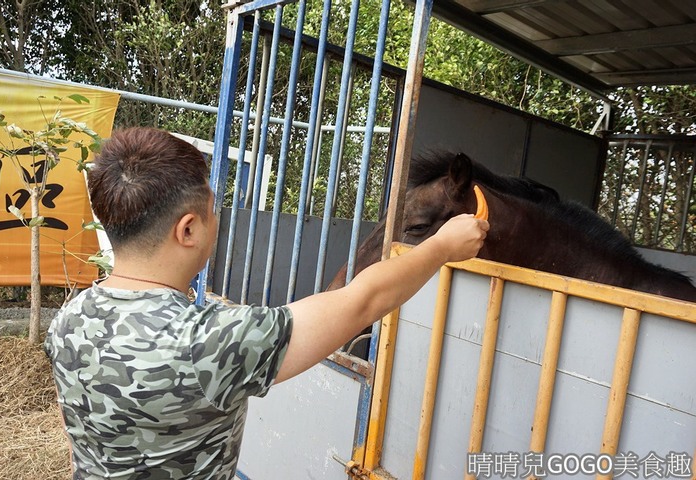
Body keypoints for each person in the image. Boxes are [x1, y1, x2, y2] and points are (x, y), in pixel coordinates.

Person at [44, 126, 489, 479]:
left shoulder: (68, 319)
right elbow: (362, 301)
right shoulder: (213, 340)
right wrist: (441, 247)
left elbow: (76, 439)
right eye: (213, 212)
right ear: (188, 231)